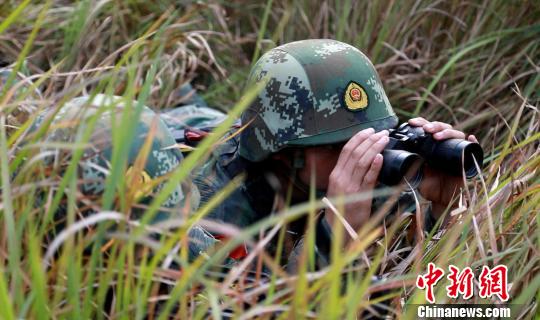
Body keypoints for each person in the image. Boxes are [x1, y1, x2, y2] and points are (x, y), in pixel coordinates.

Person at [186, 39, 479, 271]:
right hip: (189, 128)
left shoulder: (366, 174)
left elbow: (406, 265)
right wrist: (333, 234)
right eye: (337, 146)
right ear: (283, 154)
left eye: (374, 137)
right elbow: (259, 306)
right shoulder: (210, 205)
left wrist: (446, 207)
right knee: (184, 110)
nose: (362, 154)